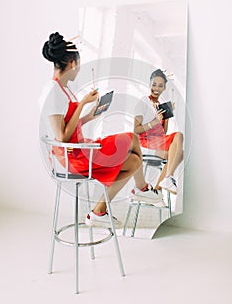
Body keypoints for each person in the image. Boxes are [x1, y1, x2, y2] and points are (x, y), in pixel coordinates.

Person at [39, 33, 166, 229]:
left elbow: (68, 125)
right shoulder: (53, 91)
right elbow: (62, 136)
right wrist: (82, 103)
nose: (79, 69)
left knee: (133, 160)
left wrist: (90, 115)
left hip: (79, 147)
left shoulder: (64, 89)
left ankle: (99, 211)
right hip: (72, 156)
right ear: (72, 63)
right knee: (132, 138)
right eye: (79, 64)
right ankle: (141, 189)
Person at [133, 69, 184, 196]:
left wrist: (167, 115)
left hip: (158, 142)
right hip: (144, 143)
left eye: (160, 86)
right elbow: (135, 130)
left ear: (164, 88)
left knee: (179, 153)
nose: (156, 88)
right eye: (154, 84)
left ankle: (156, 192)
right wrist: (154, 122)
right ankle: (167, 178)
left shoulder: (161, 105)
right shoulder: (143, 102)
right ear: (149, 85)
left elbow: (164, 132)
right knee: (179, 136)